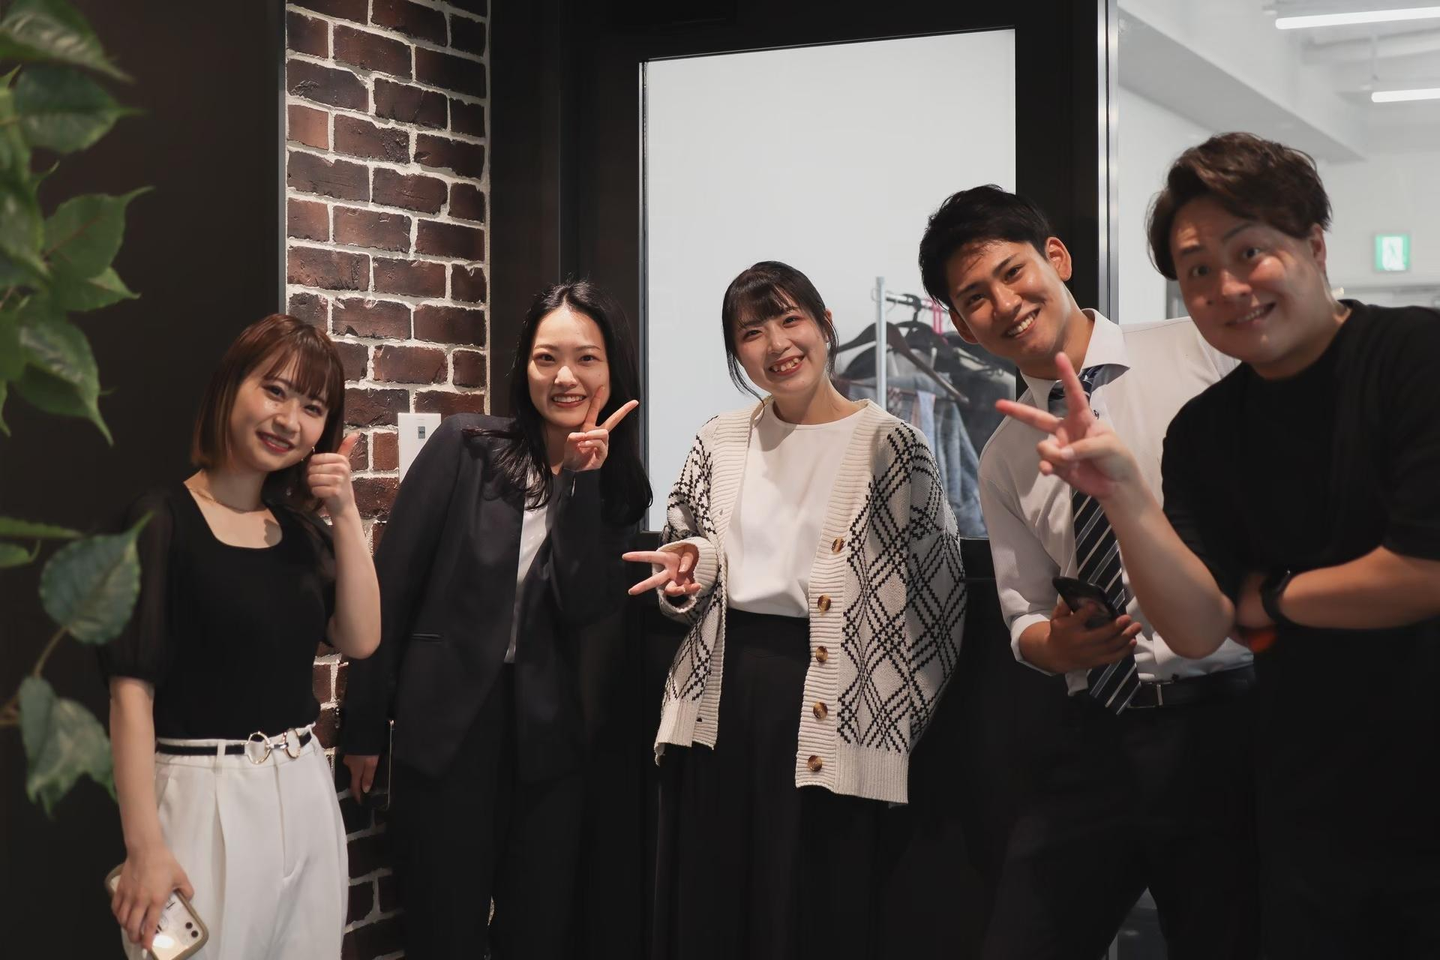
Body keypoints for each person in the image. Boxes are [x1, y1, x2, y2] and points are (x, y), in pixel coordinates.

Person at [998, 132, 1440, 958]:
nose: (1227, 288)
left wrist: (1273, 599)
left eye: (1249, 253)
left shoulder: (1415, 355)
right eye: (1198, 270)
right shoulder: (1207, 432)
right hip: (1309, 790)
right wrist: (1125, 495)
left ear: (1313, 245)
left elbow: (1424, 570)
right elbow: (1200, 625)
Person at [917, 184, 1260, 958]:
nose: (1004, 304)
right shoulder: (1006, 454)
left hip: (1226, 720)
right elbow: (1022, 615)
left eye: (1012, 272)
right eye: (975, 298)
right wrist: (1056, 645)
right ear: (961, 325)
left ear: (1057, 258)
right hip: (1098, 737)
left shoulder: (1197, 352)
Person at [626, 261, 966, 960]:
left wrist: (888, 723)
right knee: (715, 901)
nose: (777, 344)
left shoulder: (893, 446)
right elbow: (685, 561)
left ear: (825, 324)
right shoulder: (718, 440)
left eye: (790, 320)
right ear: (737, 352)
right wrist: (688, 577)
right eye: (752, 333)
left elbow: (940, 604)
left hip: (832, 703)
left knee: (809, 906)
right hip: (719, 699)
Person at [340, 280, 650, 960]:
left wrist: (581, 482)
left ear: (613, 371)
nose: (565, 377)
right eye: (546, 358)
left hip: (547, 737)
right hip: (448, 727)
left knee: (535, 930)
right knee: (442, 930)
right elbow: (392, 586)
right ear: (524, 367)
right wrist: (364, 723)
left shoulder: (619, 488)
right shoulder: (466, 445)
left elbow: (582, 602)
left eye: (586, 359)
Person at [104, 313, 380, 959]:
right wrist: (144, 847)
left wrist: (344, 512)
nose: (289, 420)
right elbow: (130, 695)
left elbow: (362, 637)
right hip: (200, 793)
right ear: (231, 386)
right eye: (275, 391)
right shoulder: (159, 520)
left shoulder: (302, 532)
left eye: (312, 407)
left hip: (304, 787)